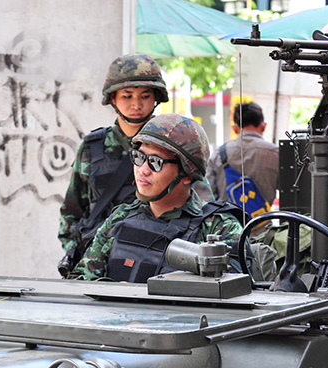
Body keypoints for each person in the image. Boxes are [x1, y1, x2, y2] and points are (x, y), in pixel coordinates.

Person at [71, 114, 243, 283]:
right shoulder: (120, 217)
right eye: (139, 157)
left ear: (187, 174)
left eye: (155, 162)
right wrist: (115, 292)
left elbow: (233, 292)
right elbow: (83, 280)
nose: (142, 170)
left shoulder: (218, 228)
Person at [57, 54, 168, 277]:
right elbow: (72, 210)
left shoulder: (173, 145)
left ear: (156, 98)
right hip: (97, 267)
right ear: (113, 99)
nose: (136, 104)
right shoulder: (93, 147)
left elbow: (198, 205)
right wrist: (77, 251)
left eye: (145, 96)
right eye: (127, 96)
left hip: (154, 264)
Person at [207, 102, 279, 219]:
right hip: (264, 229)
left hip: (227, 229)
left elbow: (208, 195)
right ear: (263, 126)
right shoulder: (276, 154)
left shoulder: (219, 154)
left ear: (235, 129)